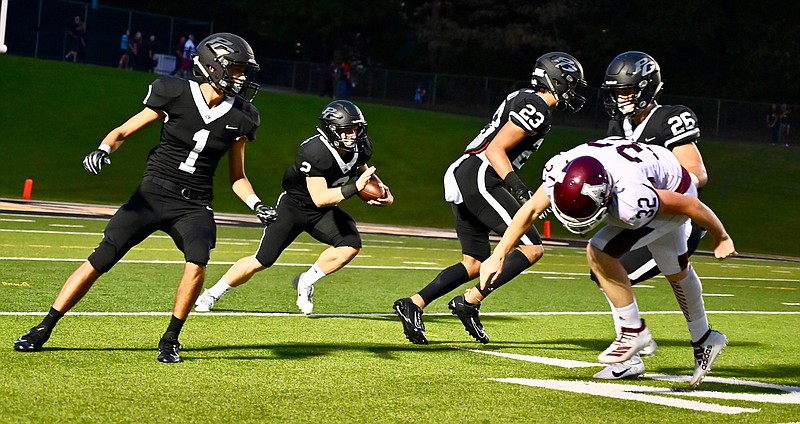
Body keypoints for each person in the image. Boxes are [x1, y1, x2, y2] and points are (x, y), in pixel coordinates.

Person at [13, 33, 273, 363]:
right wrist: (103, 149)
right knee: (102, 258)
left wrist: (257, 205)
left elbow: (238, 177)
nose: (242, 77)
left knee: (198, 262)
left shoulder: (243, 116)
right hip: (153, 193)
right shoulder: (175, 92)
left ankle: (170, 340)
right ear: (212, 66)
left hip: (194, 204)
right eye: (236, 69)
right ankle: (44, 327)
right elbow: (122, 131)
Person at [480, 137, 737, 389]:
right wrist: (498, 254)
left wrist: (721, 237)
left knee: (599, 250)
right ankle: (704, 338)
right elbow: (532, 210)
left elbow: (691, 205)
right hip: (646, 169)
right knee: (675, 270)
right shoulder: (560, 169)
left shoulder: (632, 200)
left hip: (672, 187)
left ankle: (632, 331)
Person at [392, 52, 587, 345]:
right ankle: (470, 301)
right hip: (480, 175)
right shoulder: (537, 105)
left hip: (468, 172)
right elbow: (496, 149)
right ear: (554, 80)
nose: (572, 92)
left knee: (474, 262)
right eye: (569, 85)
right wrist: (520, 190)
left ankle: (414, 303)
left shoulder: (524, 96)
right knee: (532, 248)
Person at [194, 100, 393, 315]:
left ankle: (306, 281)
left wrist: (383, 192)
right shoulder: (315, 151)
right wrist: (356, 187)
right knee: (262, 259)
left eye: (355, 130)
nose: (352, 136)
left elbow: (363, 172)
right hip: (295, 207)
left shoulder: (361, 147)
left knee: (350, 244)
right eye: (346, 131)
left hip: (323, 212)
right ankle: (212, 293)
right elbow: (320, 198)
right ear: (331, 131)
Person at [591, 51, 714, 379]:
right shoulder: (620, 124)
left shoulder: (669, 118)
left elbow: (696, 173)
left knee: (608, 265)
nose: (621, 98)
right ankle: (704, 338)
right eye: (616, 92)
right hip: (641, 217)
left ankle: (631, 351)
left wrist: (652, 186)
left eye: (627, 91)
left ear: (648, 88)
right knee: (676, 273)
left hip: (674, 215)